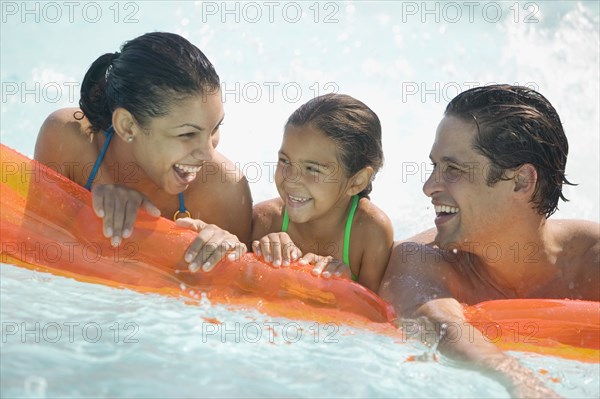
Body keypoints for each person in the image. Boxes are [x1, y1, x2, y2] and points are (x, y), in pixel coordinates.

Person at [379, 85, 599, 398]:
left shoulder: (591, 263)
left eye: (452, 169)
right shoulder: (419, 260)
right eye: (434, 167)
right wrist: (521, 382)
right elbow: (435, 324)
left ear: (521, 181)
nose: (429, 187)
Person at [34, 32, 252, 272]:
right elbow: (34, 255)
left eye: (215, 128)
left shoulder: (224, 192)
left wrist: (225, 253)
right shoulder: (69, 142)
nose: (208, 154)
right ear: (127, 125)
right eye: (187, 134)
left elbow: (244, 297)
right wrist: (90, 215)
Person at [251, 94, 394, 292]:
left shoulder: (370, 232)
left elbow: (375, 315)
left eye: (312, 169)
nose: (291, 179)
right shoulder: (264, 221)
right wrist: (260, 260)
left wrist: (345, 287)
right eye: (285, 161)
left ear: (357, 181)